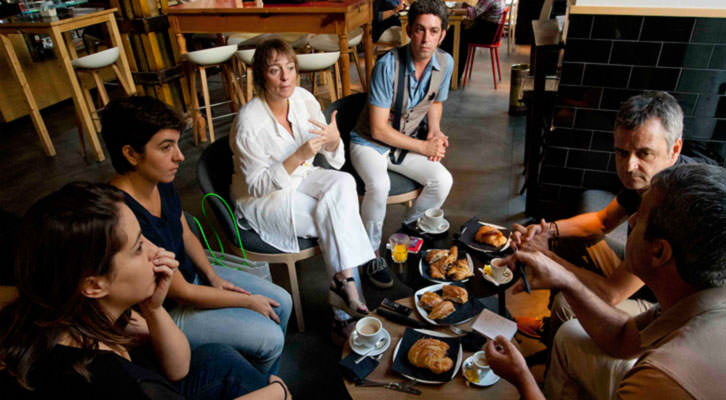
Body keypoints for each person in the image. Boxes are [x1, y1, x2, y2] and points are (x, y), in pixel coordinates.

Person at [0, 182, 292, 400]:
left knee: (216, 356)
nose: (157, 252)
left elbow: (179, 369)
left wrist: (153, 309)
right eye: (139, 247)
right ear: (93, 285)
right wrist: (275, 394)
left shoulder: (74, 313)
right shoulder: (109, 380)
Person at [487, 164, 726, 399]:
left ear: (659, 253)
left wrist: (521, 375)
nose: (630, 221)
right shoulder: (696, 295)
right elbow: (625, 337)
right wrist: (567, 281)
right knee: (570, 334)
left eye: (640, 217)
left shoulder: (661, 380)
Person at [101, 96, 292, 375]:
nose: (179, 156)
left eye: (177, 144)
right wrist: (247, 300)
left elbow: (185, 233)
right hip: (166, 308)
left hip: (191, 279)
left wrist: (214, 277)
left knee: (282, 302)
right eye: (166, 147)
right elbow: (183, 293)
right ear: (131, 154)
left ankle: (256, 376)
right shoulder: (121, 213)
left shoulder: (157, 179)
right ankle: (251, 382)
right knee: (270, 337)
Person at [511, 91, 694, 340]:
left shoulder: (678, 207)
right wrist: (546, 231)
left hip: (671, 310)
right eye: (622, 153)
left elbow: (612, 293)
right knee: (569, 240)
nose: (629, 166)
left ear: (674, 149)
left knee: (567, 305)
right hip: (644, 276)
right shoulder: (651, 178)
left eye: (644, 154)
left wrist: (548, 258)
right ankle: (550, 329)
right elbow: (602, 222)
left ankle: (553, 368)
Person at [229, 39, 375, 337]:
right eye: (274, 70)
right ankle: (345, 308)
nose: (285, 77)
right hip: (266, 199)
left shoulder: (304, 99)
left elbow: (333, 159)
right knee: (337, 216)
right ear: (261, 76)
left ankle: (341, 285)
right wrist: (297, 156)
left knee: (344, 183)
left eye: (290, 68)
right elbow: (256, 186)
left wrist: (334, 141)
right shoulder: (248, 121)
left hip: (303, 177)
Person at [349, 0, 454, 289]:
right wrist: (424, 147)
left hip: (403, 142)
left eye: (433, 31)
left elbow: (436, 101)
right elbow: (378, 129)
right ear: (409, 30)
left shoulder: (445, 63)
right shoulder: (388, 65)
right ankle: (369, 255)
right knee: (379, 186)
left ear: (442, 34)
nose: (426, 38)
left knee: (442, 180)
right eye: (420, 30)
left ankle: (406, 232)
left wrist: (434, 131)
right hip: (369, 144)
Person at [441, 0, 505, 80]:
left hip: (486, 34)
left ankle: (451, 73)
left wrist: (451, 11)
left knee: (457, 34)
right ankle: (451, 72)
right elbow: (479, 10)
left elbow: (474, 13)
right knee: (456, 30)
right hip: (489, 31)